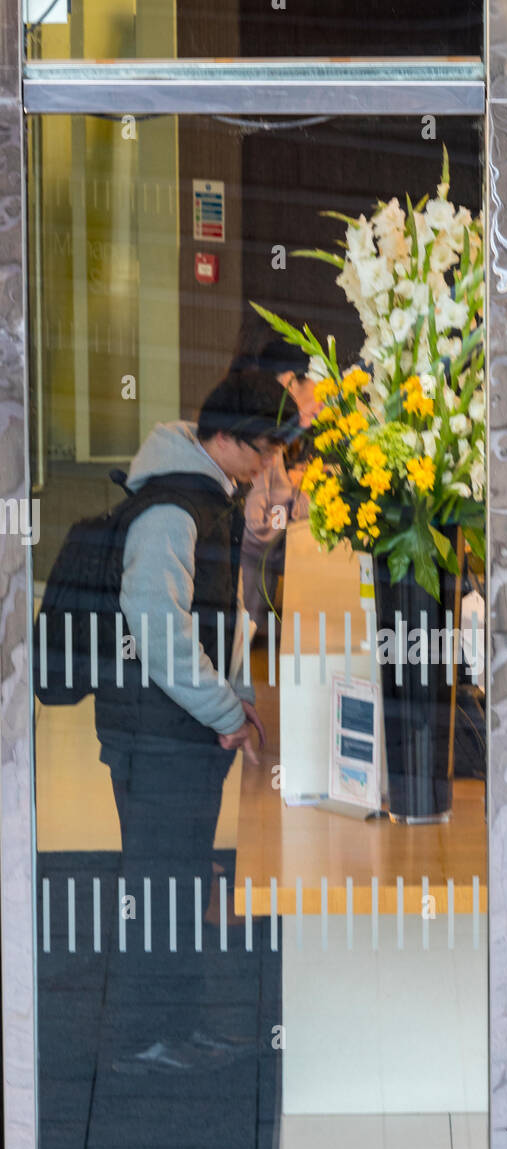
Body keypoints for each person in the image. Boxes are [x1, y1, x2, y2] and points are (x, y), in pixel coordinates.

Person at [94, 371, 300, 1072]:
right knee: (157, 885)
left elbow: (222, 609)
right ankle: (138, 1040)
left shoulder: (207, 496)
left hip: (175, 731)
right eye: (262, 449)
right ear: (223, 438)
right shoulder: (170, 510)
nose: (267, 463)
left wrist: (231, 699)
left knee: (180, 881)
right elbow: (158, 628)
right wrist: (222, 707)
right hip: (154, 735)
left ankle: (178, 1028)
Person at [228, 332, 322, 633]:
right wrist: (302, 500)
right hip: (245, 598)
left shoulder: (266, 429)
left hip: (251, 599)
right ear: (289, 382)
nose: (319, 406)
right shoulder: (262, 440)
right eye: (316, 392)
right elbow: (258, 528)